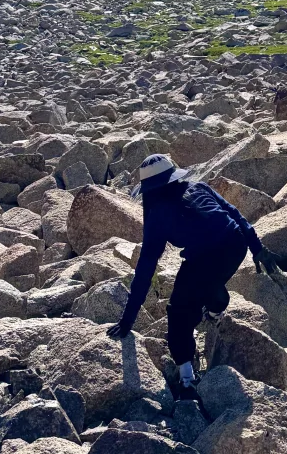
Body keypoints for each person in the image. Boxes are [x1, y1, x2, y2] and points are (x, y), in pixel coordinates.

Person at [107, 153, 278, 398]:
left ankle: (187, 380)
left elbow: (146, 268)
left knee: (178, 312)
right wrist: (257, 248)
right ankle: (216, 308)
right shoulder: (198, 187)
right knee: (209, 283)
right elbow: (235, 214)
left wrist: (127, 321)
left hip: (204, 257)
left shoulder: (157, 213)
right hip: (235, 244)